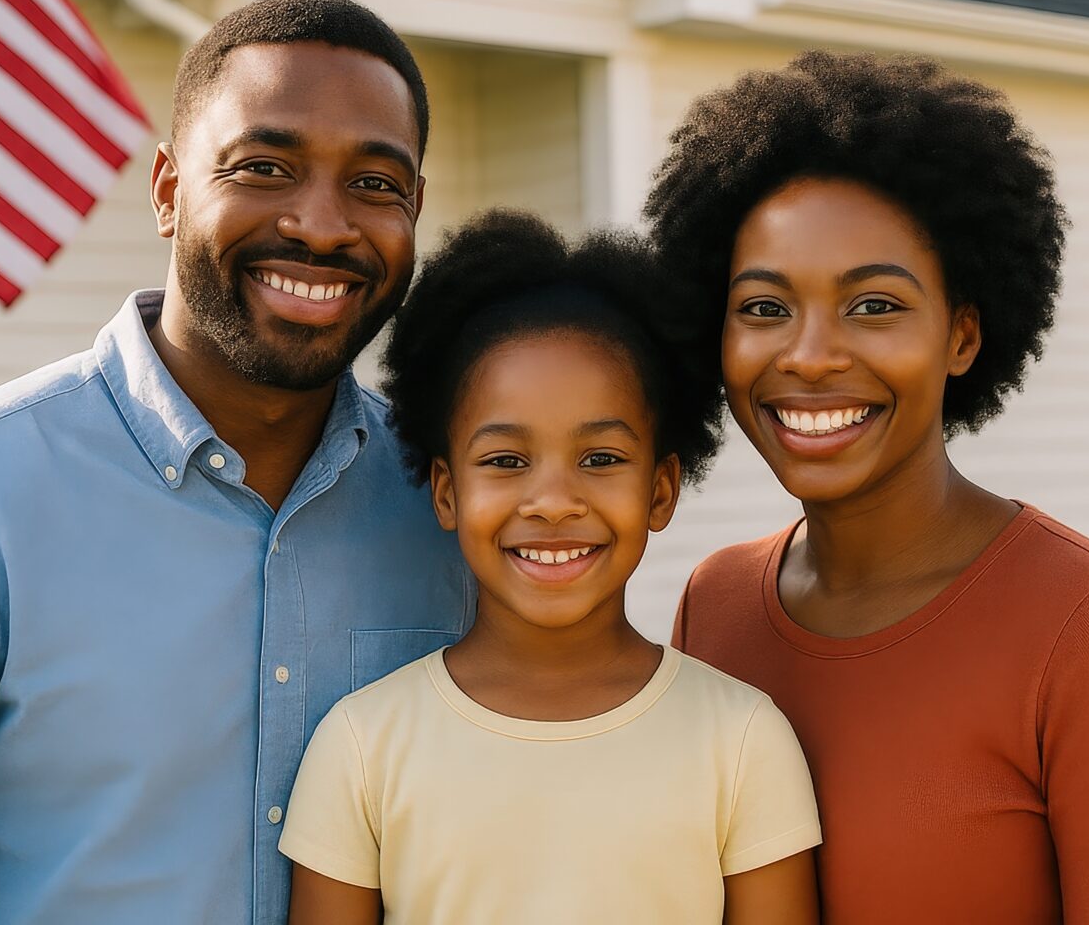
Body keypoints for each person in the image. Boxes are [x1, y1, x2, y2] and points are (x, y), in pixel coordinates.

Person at [0, 0, 473, 924]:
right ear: (169, 191)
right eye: (264, 167)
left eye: (376, 184)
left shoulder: (452, 513)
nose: (321, 224)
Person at [646, 52, 1089, 924]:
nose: (809, 356)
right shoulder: (715, 606)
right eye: (764, 308)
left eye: (874, 306)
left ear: (962, 336)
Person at [280, 211, 823, 925]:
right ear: (447, 492)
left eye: (600, 459)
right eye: (506, 460)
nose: (554, 502)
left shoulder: (743, 741)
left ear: (661, 490)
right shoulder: (361, 747)